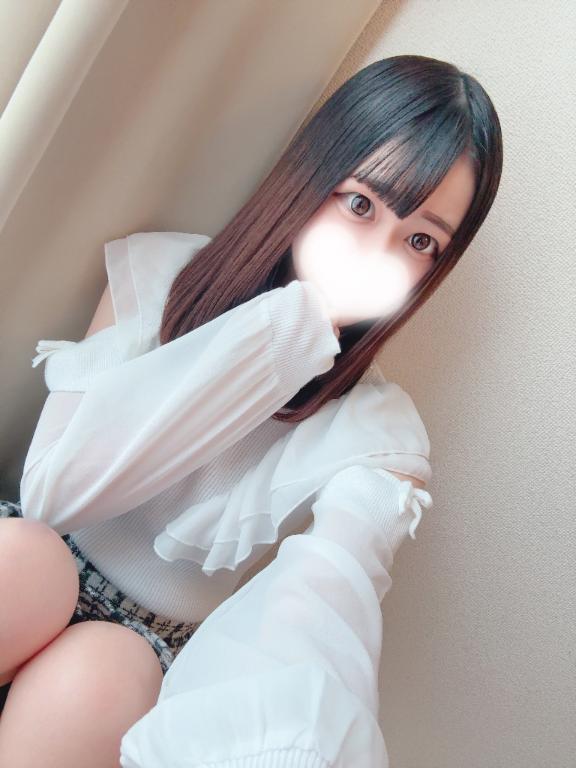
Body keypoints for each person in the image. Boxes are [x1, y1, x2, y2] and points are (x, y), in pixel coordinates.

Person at [0, 54, 503, 767]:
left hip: (140, 656)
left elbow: (332, 593)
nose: (378, 252)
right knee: (29, 559)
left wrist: (316, 333)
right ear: (312, 176)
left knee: (104, 671)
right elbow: (54, 499)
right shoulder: (159, 276)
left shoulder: (379, 433)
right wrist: (288, 330)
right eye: (361, 204)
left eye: (421, 241)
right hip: (28, 566)